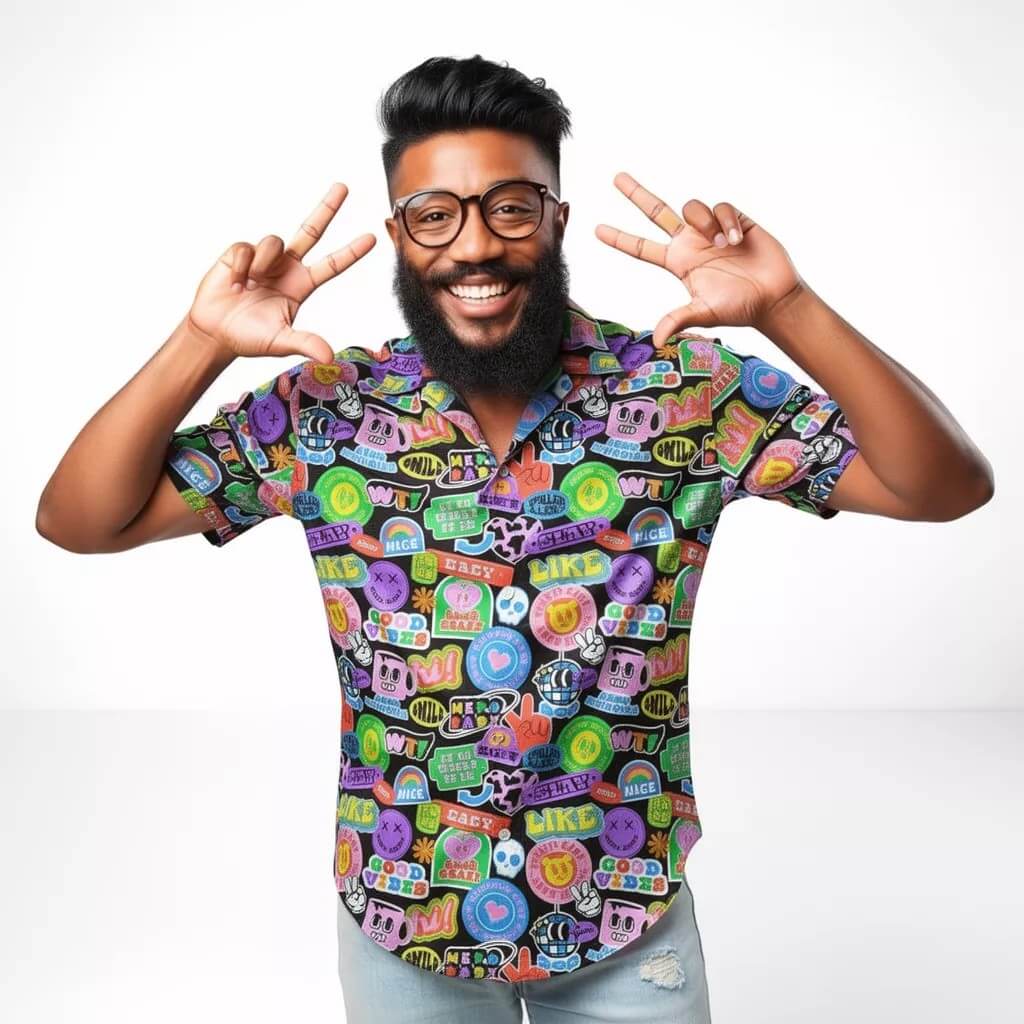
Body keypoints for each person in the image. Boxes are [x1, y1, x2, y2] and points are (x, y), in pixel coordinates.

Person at [36, 54, 993, 1024]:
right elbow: (79, 519)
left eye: (510, 206)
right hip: (403, 924)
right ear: (401, 236)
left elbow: (944, 486)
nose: (474, 245)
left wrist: (790, 309)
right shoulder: (326, 409)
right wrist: (200, 340)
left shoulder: (685, 390)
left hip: (625, 918)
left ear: (557, 220)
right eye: (434, 214)